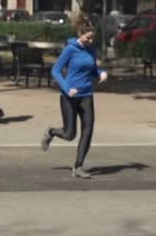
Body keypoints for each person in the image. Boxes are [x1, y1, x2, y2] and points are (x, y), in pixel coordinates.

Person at [40, 15, 108, 179]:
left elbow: (91, 70)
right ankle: (51, 131)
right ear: (80, 33)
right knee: (70, 134)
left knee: (88, 129)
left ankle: (78, 167)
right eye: (88, 38)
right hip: (69, 96)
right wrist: (67, 88)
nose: (90, 41)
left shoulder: (91, 50)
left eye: (93, 38)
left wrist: (101, 72)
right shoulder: (70, 49)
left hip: (86, 95)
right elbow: (55, 70)